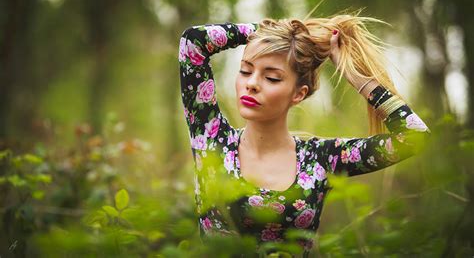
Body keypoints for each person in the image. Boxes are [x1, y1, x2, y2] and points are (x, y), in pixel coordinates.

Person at [178, 13, 431, 257]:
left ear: (298, 94)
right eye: (245, 71)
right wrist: (272, 32)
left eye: (272, 77)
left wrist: (355, 76)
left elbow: (414, 137)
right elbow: (193, 41)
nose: (252, 83)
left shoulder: (321, 159)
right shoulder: (211, 138)